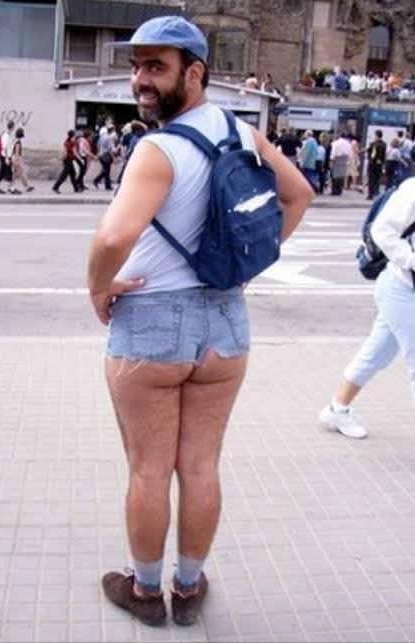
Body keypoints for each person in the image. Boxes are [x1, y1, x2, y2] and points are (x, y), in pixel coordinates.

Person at [87, 15, 313, 627]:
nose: (141, 79)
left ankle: (146, 591)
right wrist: (248, 268)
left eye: (156, 67)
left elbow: (113, 237)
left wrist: (98, 287)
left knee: (148, 469)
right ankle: (188, 590)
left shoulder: (157, 149)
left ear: (195, 72)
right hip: (226, 323)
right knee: (201, 465)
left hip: (152, 325)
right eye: (137, 67)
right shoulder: (243, 133)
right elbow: (298, 195)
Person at [319, 177, 415, 438]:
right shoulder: (412, 190)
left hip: (404, 289)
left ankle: (337, 409)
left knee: (377, 352)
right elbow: (382, 230)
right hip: (402, 287)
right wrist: (411, 259)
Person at [52, 129, 80, 194]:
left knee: (72, 174)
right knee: (64, 175)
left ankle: (76, 188)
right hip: (69, 160)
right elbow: (74, 152)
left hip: (66, 160)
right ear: (73, 135)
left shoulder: (66, 142)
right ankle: (56, 187)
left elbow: (64, 151)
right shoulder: (72, 142)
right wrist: (80, 159)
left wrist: (63, 159)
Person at [10, 127, 35, 194]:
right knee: (21, 173)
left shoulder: (14, 140)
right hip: (17, 158)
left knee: (15, 174)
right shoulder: (18, 142)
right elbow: (17, 152)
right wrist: (16, 161)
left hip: (14, 157)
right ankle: (26, 186)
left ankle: (11, 186)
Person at [0, 120, 15, 194]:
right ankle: (10, 188)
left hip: (6, 156)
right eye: (14, 127)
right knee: (7, 171)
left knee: (4, 171)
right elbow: (4, 147)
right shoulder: (5, 135)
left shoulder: (7, 134)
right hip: (5, 156)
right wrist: (7, 158)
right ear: (12, 127)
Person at [93, 123, 116, 190]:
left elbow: (98, 145)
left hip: (101, 155)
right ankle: (107, 186)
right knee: (107, 171)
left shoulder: (102, 137)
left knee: (105, 170)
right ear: (112, 130)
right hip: (106, 156)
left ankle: (96, 180)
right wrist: (113, 158)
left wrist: (98, 154)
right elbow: (110, 149)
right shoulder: (109, 138)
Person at [367, 129, 386, 200]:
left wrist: (380, 161)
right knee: (372, 178)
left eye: (375, 135)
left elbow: (382, 154)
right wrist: (369, 157)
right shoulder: (373, 144)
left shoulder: (382, 144)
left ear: (377, 136)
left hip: (377, 163)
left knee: (375, 178)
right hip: (372, 162)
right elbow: (369, 151)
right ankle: (371, 193)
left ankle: (374, 192)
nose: (374, 137)